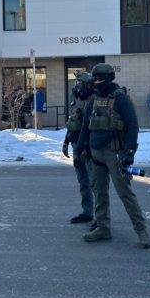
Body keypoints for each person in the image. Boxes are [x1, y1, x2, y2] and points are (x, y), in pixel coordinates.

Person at [72, 63, 150, 248]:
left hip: (116, 154)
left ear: (110, 77)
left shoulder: (121, 99)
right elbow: (85, 127)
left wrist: (130, 152)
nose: (98, 81)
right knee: (100, 193)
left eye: (101, 78)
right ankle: (103, 227)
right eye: (95, 78)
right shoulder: (92, 100)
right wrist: (77, 151)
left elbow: (132, 126)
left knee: (125, 194)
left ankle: (142, 231)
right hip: (95, 154)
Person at [62, 73, 96, 228]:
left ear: (89, 85)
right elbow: (73, 122)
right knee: (83, 180)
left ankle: (101, 218)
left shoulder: (94, 101)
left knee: (96, 182)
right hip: (77, 144)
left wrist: (85, 146)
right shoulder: (78, 101)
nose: (78, 86)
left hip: (88, 147)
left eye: (81, 83)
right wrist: (66, 140)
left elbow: (91, 127)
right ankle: (87, 211)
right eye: (77, 83)